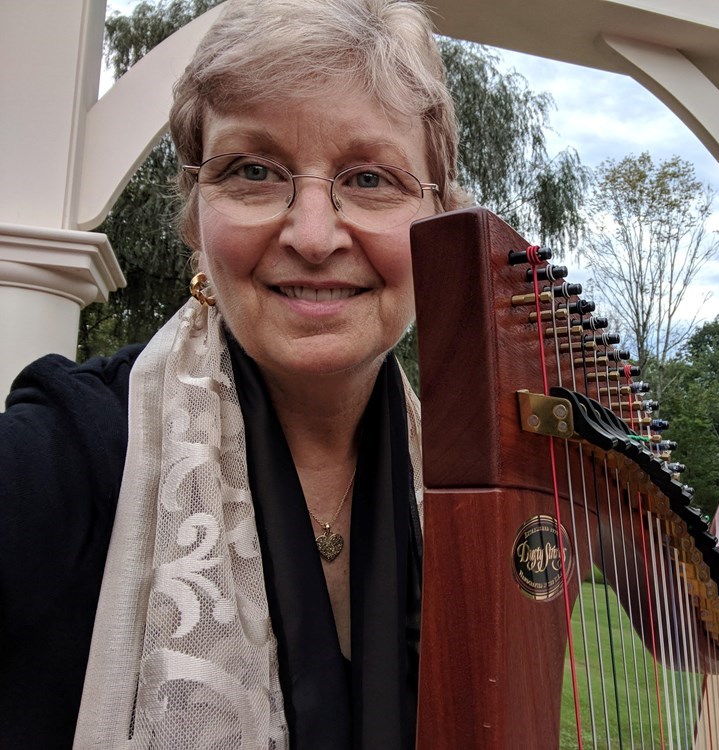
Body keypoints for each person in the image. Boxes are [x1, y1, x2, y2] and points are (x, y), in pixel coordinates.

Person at [0, 0, 465, 746]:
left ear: (440, 223)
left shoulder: (468, 486)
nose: (313, 236)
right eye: (252, 171)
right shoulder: (62, 455)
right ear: (194, 215)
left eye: (371, 178)